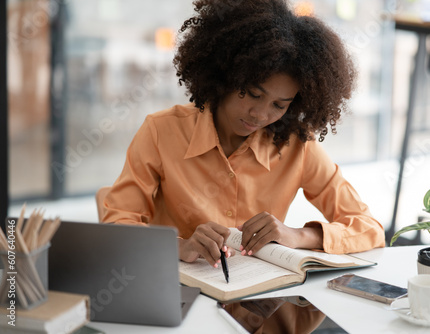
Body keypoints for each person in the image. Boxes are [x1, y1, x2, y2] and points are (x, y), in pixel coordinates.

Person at [102, 0, 385, 269]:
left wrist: (297, 236)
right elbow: (116, 227)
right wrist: (179, 246)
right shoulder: (162, 131)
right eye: (252, 93)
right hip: (180, 299)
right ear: (226, 75)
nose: (260, 114)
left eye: (278, 105)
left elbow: (368, 228)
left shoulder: (298, 147)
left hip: (258, 305)